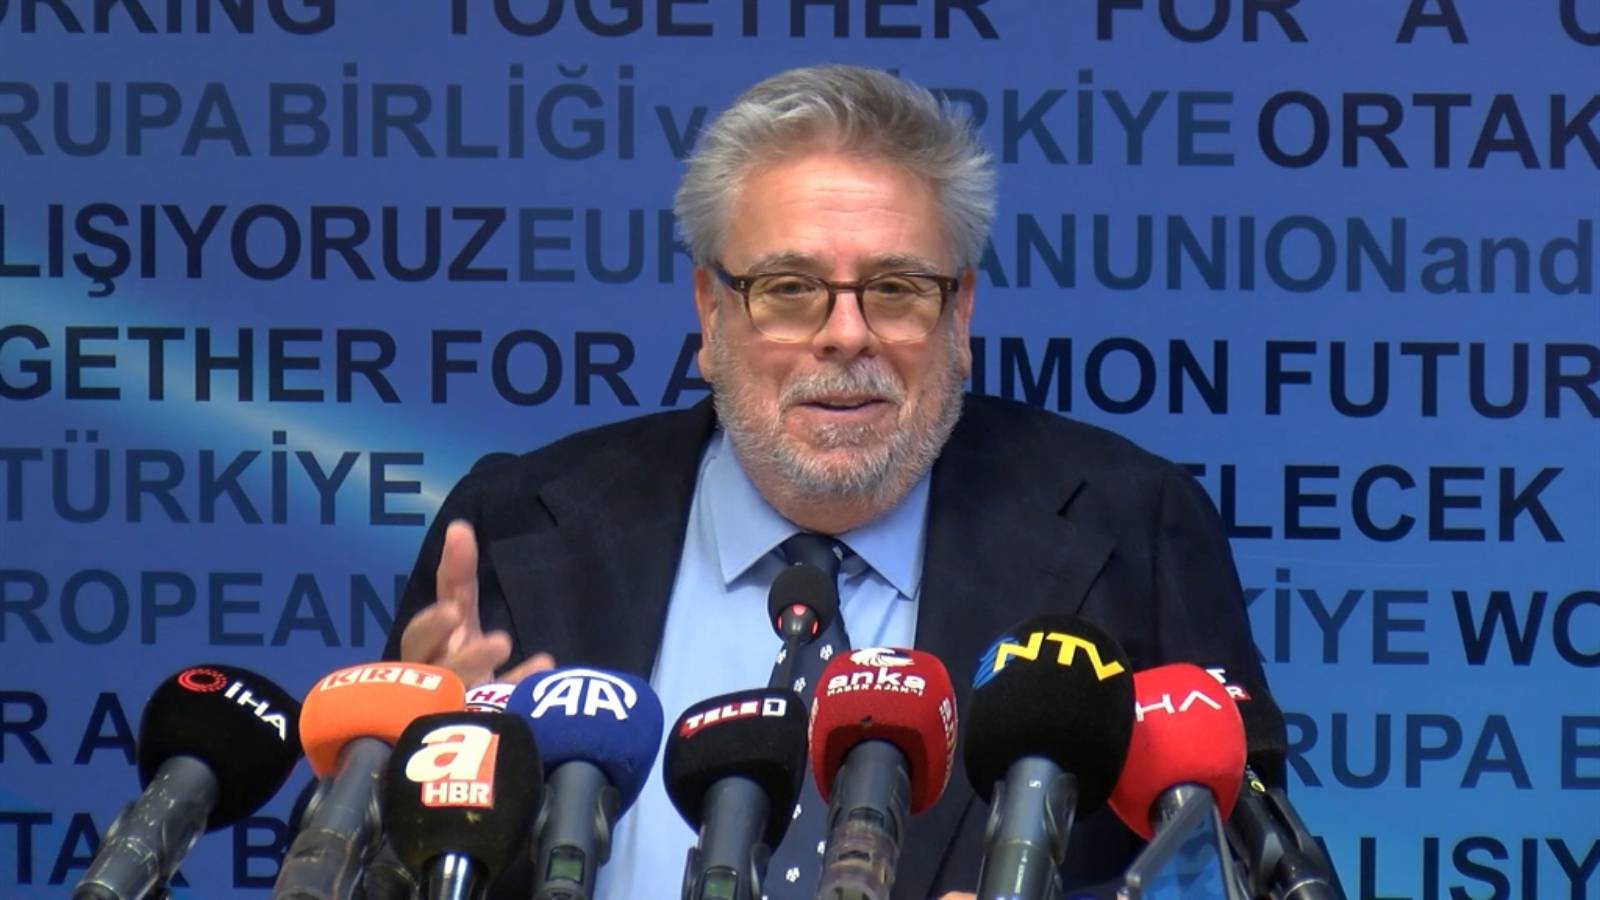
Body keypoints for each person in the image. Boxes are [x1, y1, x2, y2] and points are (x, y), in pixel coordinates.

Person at [385, 64, 1267, 899]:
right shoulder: (516, 535)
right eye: (789, 287)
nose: (846, 335)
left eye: (896, 288)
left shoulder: (1133, 535)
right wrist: (410, 805)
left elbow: (1239, 871)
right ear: (710, 312)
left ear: (960, 314)